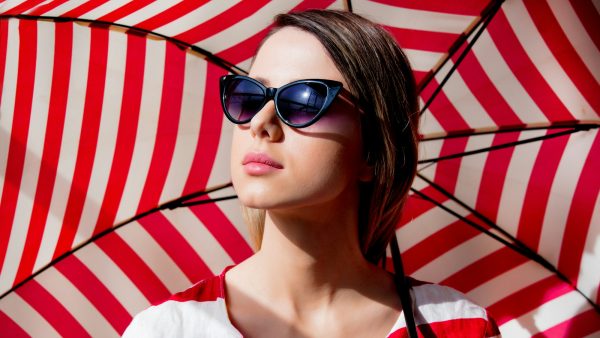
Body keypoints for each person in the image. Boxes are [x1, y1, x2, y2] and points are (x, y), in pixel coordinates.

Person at [123, 9, 500, 338]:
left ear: (373, 151)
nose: (260, 122)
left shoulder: (456, 326)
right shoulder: (167, 330)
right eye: (249, 95)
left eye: (304, 100)